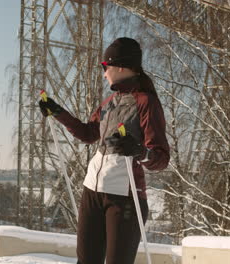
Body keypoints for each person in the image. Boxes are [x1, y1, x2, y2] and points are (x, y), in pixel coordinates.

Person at [39, 37, 170, 264]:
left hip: (125, 197)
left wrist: (139, 150)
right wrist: (58, 112)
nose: (103, 73)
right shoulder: (110, 101)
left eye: (104, 67)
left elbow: (161, 158)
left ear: (120, 66)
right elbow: (89, 133)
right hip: (92, 190)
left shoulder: (145, 102)